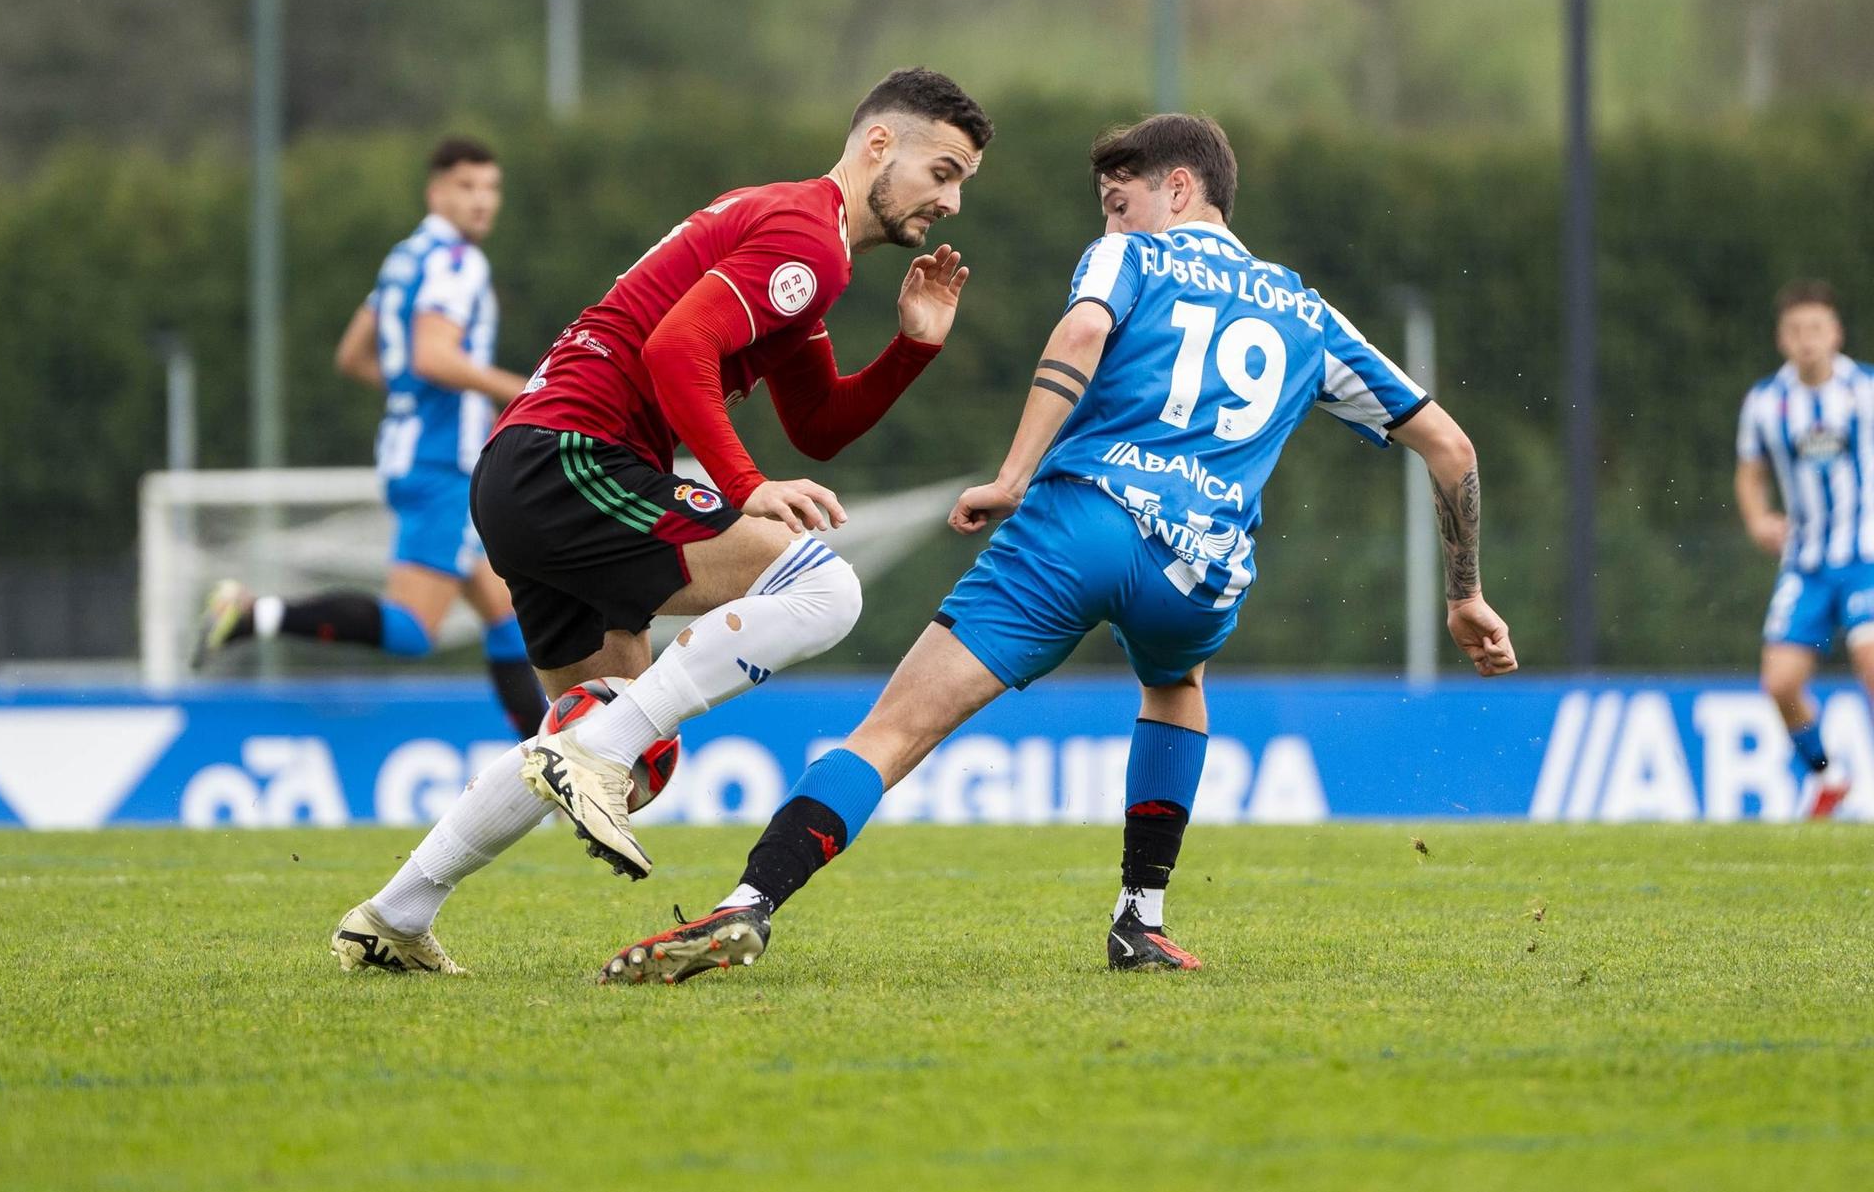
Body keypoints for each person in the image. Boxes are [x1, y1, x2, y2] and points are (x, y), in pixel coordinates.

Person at [598, 112, 1518, 986]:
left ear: (1181, 188)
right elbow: (1453, 448)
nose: (1111, 219)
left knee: (893, 731)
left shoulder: (1134, 255)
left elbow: (1083, 330)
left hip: (1081, 526)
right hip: (1199, 572)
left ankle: (751, 900)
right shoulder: (1309, 314)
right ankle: (1141, 917)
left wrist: (1009, 475)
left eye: (1120, 200)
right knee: (1177, 684)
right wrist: (1465, 593)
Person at [328, 69, 993, 974]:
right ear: (879, 144)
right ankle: (589, 756)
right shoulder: (810, 240)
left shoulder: (801, 236)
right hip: (572, 457)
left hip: (530, 470)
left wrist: (913, 345)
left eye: (962, 183)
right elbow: (674, 345)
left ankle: (395, 915)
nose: (950, 200)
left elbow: (820, 425)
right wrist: (744, 483)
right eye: (943, 171)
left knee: (598, 743)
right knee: (826, 586)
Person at [192, 138, 547, 750]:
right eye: (467, 187)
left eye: (491, 188)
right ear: (436, 191)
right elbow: (433, 356)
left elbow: (353, 355)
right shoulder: (457, 263)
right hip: (442, 465)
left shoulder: (405, 259)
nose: (482, 201)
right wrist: (522, 392)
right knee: (413, 630)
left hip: (415, 452)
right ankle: (254, 614)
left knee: (506, 617)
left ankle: (551, 768)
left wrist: (416, 395)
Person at [1734, 279, 1861, 820]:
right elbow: (1750, 471)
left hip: (1865, 560)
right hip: (1805, 564)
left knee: (1872, 662)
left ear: (1835, 333)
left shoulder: (1867, 392)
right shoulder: (1766, 401)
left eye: (1816, 328)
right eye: (1795, 330)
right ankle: (1829, 778)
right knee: (1780, 683)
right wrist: (1759, 518)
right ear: (1781, 339)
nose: (1807, 340)